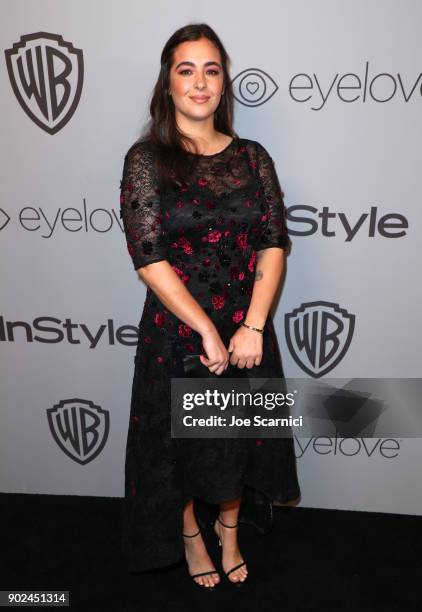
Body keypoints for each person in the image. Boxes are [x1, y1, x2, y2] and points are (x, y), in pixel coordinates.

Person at [119, 22, 301, 589]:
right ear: (167, 84)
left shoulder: (252, 157)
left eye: (212, 69)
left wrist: (252, 326)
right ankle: (192, 536)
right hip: (178, 334)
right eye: (186, 69)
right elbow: (149, 259)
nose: (200, 82)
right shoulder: (147, 159)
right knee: (178, 450)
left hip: (247, 333)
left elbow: (274, 241)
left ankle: (229, 532)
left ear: (223, 85)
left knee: (236, 444)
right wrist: (204, 329)